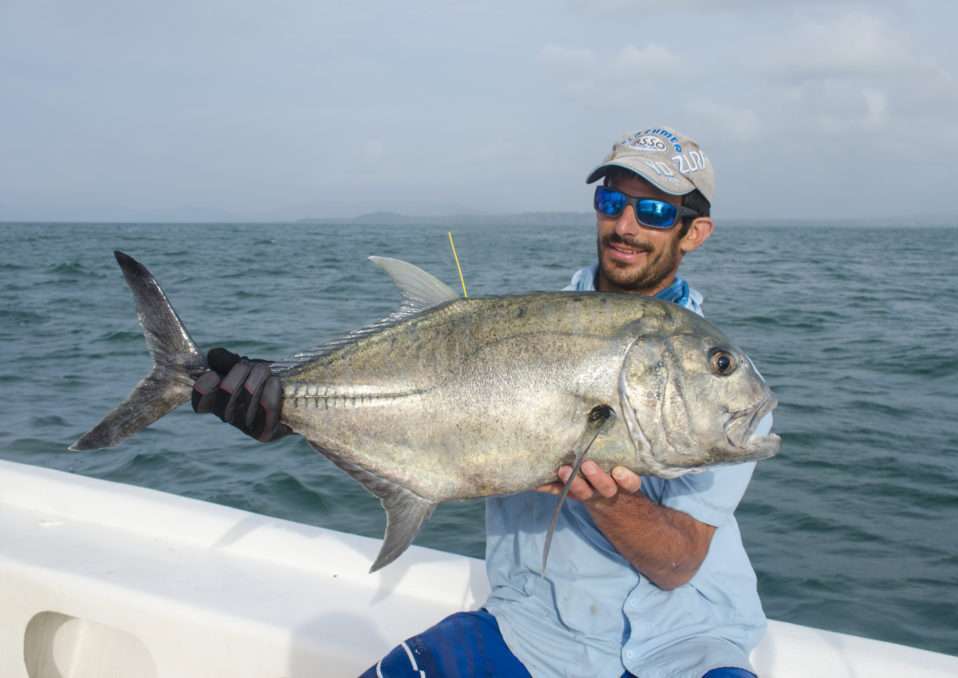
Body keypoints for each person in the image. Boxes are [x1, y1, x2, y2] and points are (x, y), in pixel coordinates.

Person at [192, 126, 769, 678]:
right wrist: (288, 412)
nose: (625, 225)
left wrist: (610, 502)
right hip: (534, 635)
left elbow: (680, 562)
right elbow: (433, 411)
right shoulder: (515, 326)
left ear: (695, 232)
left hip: (691, 645)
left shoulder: (724, 387)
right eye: (611, 200)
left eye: (655, 211)